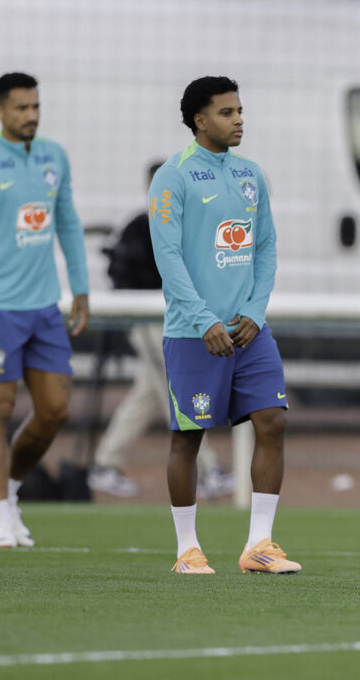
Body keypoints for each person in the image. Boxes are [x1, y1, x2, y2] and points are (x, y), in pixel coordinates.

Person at [151, 76, 299, 575]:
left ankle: (260, 544)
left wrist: (256, 313)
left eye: (240, 111)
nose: (239, 120)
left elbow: (265, 247)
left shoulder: (250, 174)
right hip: (194, 334)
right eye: (227, 112)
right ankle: (187, 550)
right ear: (200, 119)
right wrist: (202, 319)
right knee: (187, 438)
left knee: (273, 422)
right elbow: (167, 257)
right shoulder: (174, 175)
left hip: (249, 331)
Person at [0, 72, 89, 549]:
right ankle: (1, 518)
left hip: (45, 307)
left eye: (35, 107)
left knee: (54, 411)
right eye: (21, 108)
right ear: (0, 111)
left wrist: (81, 289)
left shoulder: (54, 157)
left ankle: (6, 491)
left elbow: (68, 221)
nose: (30, 116)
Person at [89, 162, 235, 500]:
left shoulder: (186, 224)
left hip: (177, 321)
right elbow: (123, 276)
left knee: (148, 393)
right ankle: (210, 470)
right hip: (149, 322)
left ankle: (105, 462)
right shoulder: (141, 226)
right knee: (178, 388)